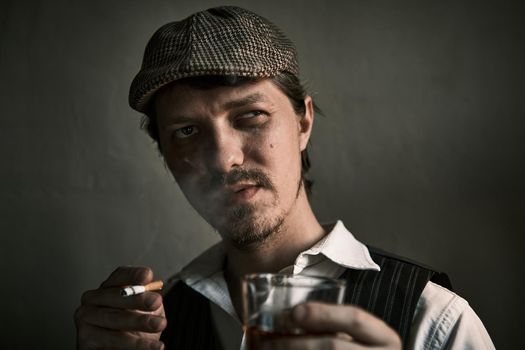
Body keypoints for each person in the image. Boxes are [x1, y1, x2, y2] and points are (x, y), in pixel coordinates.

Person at [74, 6, 495, 350]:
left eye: (251, 116)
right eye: (186, 131)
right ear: (165, 155)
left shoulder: (434, 320)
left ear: (303, 122)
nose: (224, 159)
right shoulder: (150, 329)